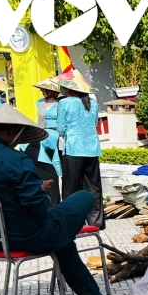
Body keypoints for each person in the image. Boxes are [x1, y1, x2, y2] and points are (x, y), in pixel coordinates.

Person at [0, 105, 106, 295]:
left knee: (62, 238)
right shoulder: (14, 159)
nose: (20, 141)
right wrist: (41, 192)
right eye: (20, 136)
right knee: (84, 197)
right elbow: (38, 208)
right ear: (11, 131)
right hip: (33, 236)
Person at [54, 69, 105, 228]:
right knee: (94, 187)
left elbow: (61, 128)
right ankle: (96, 221)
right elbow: (95, 123)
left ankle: (72, 220)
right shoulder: (94, 103)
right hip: (92, 148)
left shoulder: (64, 102)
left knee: (71, 187)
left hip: (74, 148)